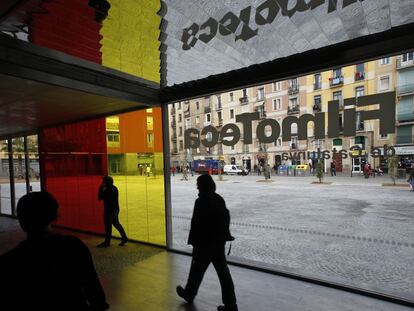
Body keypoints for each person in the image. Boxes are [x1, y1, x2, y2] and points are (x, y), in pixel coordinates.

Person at [0, 192, 109, 311]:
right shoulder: (73, 247)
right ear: (54, 216)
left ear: (21, 221)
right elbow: (94, 291)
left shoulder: (9, 261)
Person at [176, 174, 238, 311]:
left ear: (202, 186)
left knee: (196, 272)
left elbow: (196, 224)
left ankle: (189, 294)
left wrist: (193, 242)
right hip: (217, 244)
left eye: (198, 184)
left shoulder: (201, 201)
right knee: (224, 275)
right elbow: (225, 219)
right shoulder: (218, 199)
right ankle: (231, 305)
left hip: (203, 245)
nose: (197, 187)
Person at [97, 176, 128, 247]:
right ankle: (124, 237)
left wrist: (101, 187)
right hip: (115, 210)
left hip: (109, 211)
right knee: (116, 224)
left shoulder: (107, 190)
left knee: (108, 227)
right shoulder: (115, 188)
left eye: (103, 181)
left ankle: (107, 242)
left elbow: (100, 197)